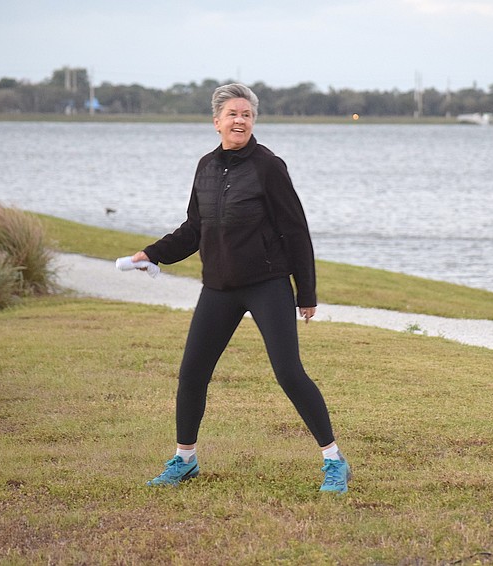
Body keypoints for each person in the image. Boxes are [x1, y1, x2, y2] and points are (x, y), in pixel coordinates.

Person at [131, 83, 351, 493]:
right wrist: (153, 254)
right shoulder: (206, 167)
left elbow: (295, 230)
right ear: (216, 122)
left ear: (253, 121)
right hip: (219, 286)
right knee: (192, 373)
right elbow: (195, 228)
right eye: (232, 114)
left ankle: (334, 460)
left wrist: (306, 293)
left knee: (289, 373)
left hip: (267, 283)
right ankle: (185, 460)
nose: (240, 120)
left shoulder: (269, 166)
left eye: (246, 115)